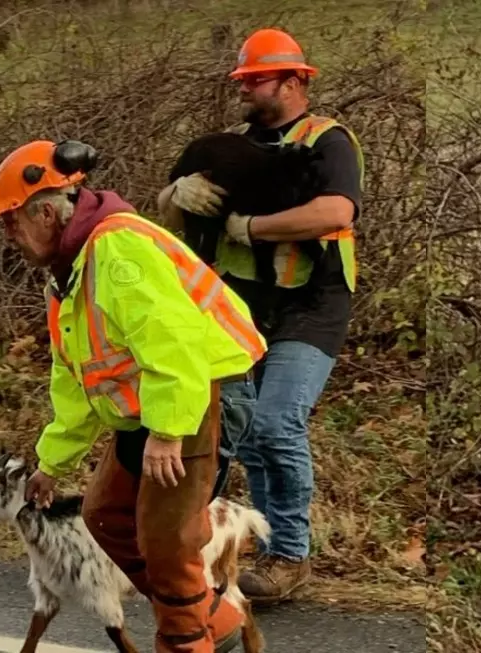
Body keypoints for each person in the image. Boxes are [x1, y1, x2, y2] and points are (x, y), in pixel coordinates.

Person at [0, 138, 267, 653]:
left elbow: (174, 347)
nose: (7, 233)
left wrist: (166, 432)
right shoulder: (67, 279)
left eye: (10, 220)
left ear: (45, 213)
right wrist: (50, 463)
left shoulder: (118, 249)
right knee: (106, 515)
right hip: (154, 407)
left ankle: (187, 638)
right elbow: (76, 382)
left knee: (167, 544)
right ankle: (214, 619)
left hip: (200, 397)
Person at [156, 27, 365, 604]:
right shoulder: (232, 145)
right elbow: (167, 216)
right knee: (244, 431)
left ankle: (290, 555)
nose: (245, 90)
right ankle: (251, 547)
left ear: (295, 81)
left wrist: (250, 229)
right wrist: (178, 195)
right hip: (243, 309)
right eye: (243, 81)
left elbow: (334, 210)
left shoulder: (328, 141)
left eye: (255, 80)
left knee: (277, 423)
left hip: (314, 304)